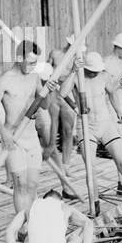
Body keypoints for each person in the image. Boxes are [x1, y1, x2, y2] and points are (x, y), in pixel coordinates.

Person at [65, 51, 122, 209]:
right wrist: (73, 70)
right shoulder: (77, 76)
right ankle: (95, 204)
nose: (94, 74)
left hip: (106, 125)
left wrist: (118, 110)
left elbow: (112, 92)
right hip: (87, 127)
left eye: (96, 71)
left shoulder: (104, 76)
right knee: (91, 168)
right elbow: (63, 92)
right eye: (92, 71)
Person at [0, 40, 54, 216]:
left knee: (32, 184)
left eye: (35, 63)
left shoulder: (34, 77)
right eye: (30, 62)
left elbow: (45, 105)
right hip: (12, 138)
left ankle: (31, 222)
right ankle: (23, 224)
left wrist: (49, 90)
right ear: (19, 58)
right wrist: (2, 133)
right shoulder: (5, 80)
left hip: (31, 137)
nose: (33, 66)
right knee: (21, 184)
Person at [5, 188, 95, 243]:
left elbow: (9, 231)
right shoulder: (65, 207)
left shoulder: (29, 208)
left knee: (27, 240)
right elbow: (88, 223)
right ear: (60, 200)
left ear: (44, 199)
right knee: (74, 237)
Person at [45, 34, 79, 165]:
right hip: (53, 92)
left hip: (68, 94)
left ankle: (66, 164)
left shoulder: (78, 58)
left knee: (68, 130)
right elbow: (46, 71)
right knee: (52, 126)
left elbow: (76, 80)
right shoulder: (55, 54)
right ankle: (50, 154)